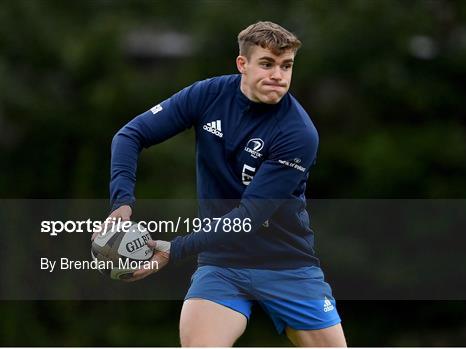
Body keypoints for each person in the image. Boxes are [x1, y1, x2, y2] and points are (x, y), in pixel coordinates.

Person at [104, 21, 346, 347]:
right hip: (222, 263)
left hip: (286, 264)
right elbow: (130, 135)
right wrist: (121, 203)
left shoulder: (298, 133)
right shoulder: (209, 95)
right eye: (267, 64)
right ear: (242, 64)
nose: (278, 75)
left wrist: (174, 250)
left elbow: (249, 217)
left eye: (286, 66)